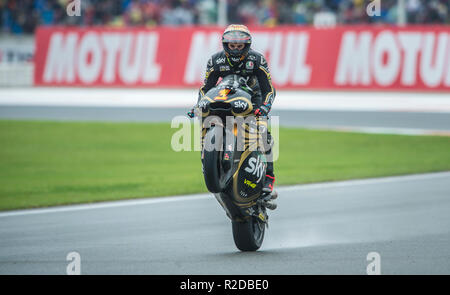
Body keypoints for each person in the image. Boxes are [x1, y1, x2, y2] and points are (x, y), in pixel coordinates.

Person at [188, 24, 277, 205]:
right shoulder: (215, 60)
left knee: (262, 132)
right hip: (224, 95)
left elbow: (269, 89)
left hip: (253, 96)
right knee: (205, 119)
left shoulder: (257, 59)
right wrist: (198, 106)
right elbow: (206, 87)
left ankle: (268, 178)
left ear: (247, 45)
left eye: (239, 46)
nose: (235, 49)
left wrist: (265, 107)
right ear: (225, 45)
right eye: (232, 45)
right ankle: (210, 162)